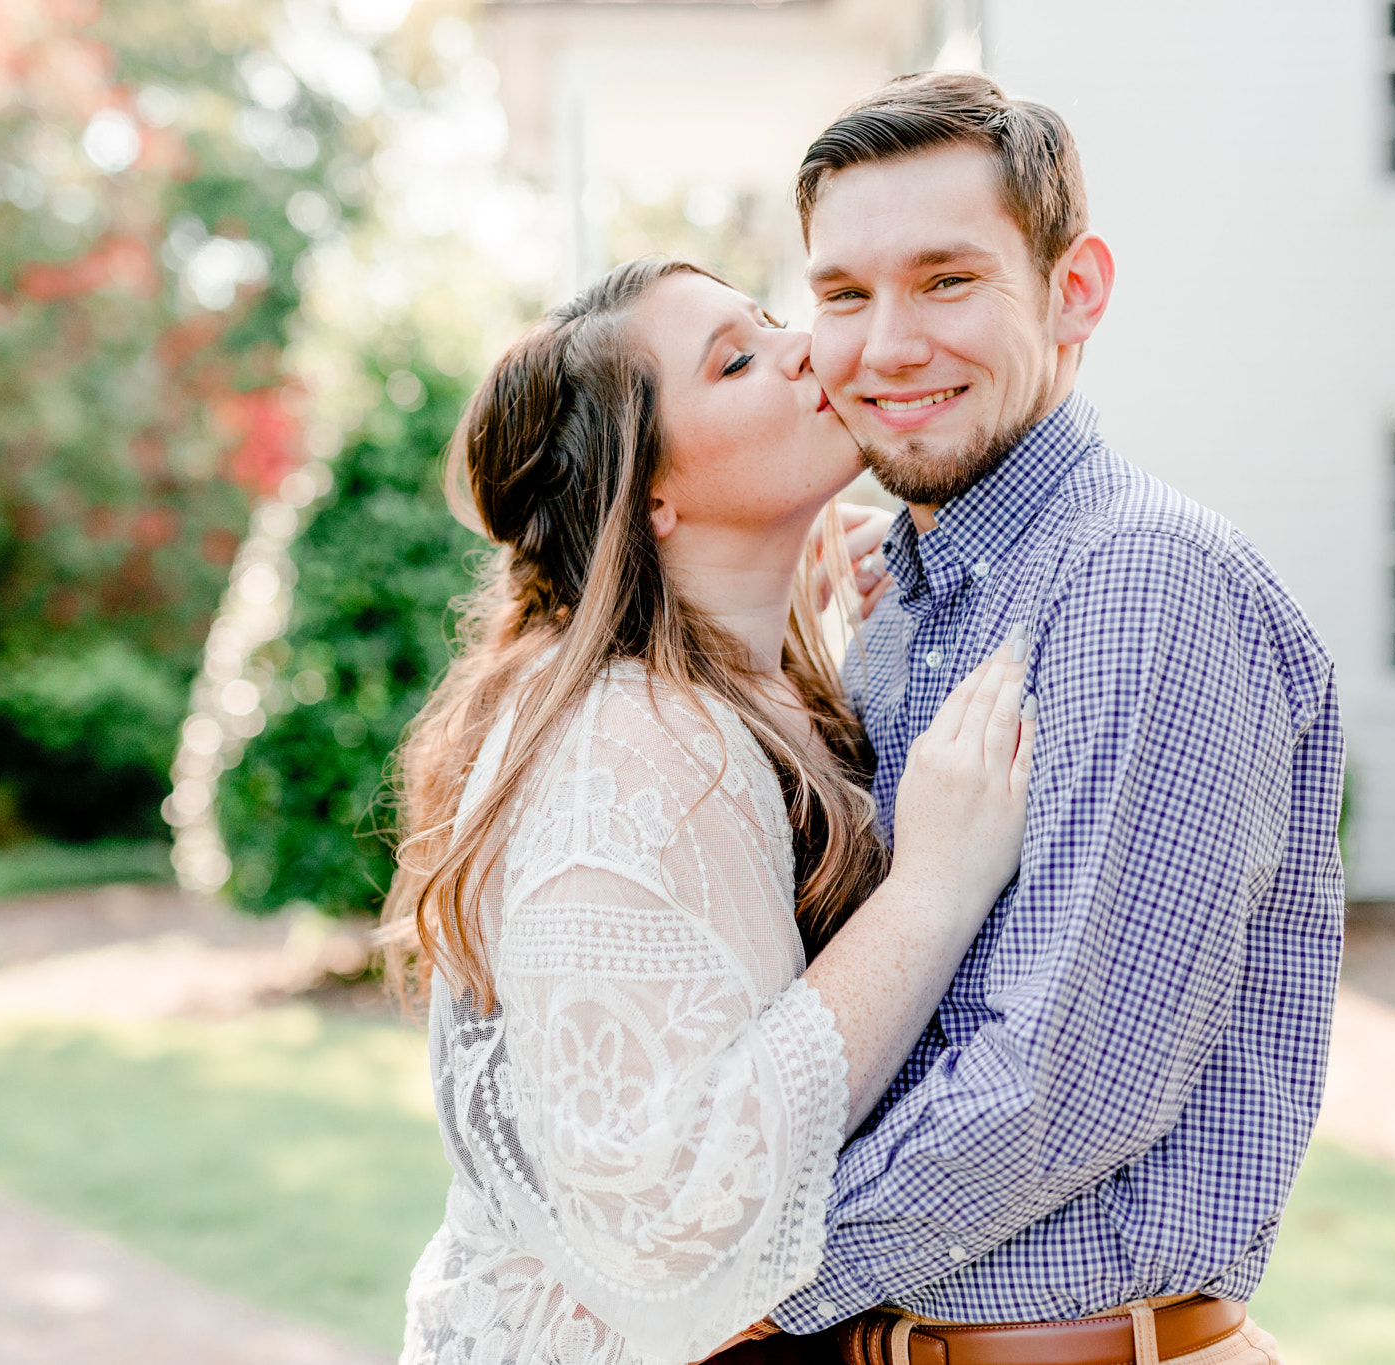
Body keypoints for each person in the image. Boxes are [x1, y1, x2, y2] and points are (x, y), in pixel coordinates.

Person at [725, 72, 1346, 1365]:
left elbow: (1063, 1085)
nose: (886, 344)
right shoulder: (900, 608)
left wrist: (733, 1295)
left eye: (947, 280)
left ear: (1076, 290)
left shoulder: (1143, 581)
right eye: (844, 294)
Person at [384, 257, 1040, 1365]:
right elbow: (671, 1209)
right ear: (650, 494)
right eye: (737, 361)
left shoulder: (733, 679)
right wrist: (933, 888)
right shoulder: (624, 744)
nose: (803, 350)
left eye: (772, 322)